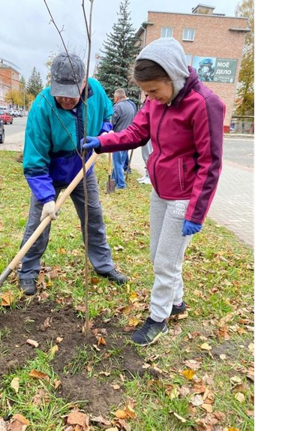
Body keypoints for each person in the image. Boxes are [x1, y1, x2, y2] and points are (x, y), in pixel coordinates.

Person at [81, 38, 225, 346]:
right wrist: (103, 141)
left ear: (172, 76)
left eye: (154, 91)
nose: (150, 99)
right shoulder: (155, 101)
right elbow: (137, 131)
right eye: (146, 93)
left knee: (165, 262)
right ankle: (177, 302)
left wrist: (196, 212)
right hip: (161, 190)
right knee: (159, 255)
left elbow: (210, 163)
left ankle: (158, 317)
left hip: (184, 197)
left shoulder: (204, 104)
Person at [19, 53, 129, 296]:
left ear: (83, 83)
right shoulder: (42, 106)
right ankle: (27, 271)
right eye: (59, 91)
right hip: (49, 171)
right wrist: (47, 198)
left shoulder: (96, 91)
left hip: (83, 168)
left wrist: (103, 133)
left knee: (94, 217)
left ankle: (103, 266)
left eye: (71, 92)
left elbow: (106, 116)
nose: (64, 98)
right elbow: (35, 161)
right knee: (39, 222)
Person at [111, 88, 137, 189]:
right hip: (128, 138)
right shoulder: (132, 106)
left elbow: (112, 123)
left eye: (114, 97)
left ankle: (121, 185)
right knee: (120, 162)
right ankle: (114, 180)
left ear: (117, 97)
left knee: (117, 162)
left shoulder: (117, 107)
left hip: (118, 138)